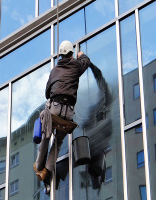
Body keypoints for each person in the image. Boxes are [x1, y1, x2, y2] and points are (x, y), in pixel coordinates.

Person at [33, 40, 91, 181]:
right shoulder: (77, 65)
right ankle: (47, 170)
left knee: (47, 133)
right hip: (69, 112)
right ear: (71, 54)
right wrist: (81, 55)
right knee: (58, 142)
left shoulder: (54, 71)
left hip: (55, 108)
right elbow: (86, 61)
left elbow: (47, 93)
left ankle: (38, 165)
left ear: (61, 55)